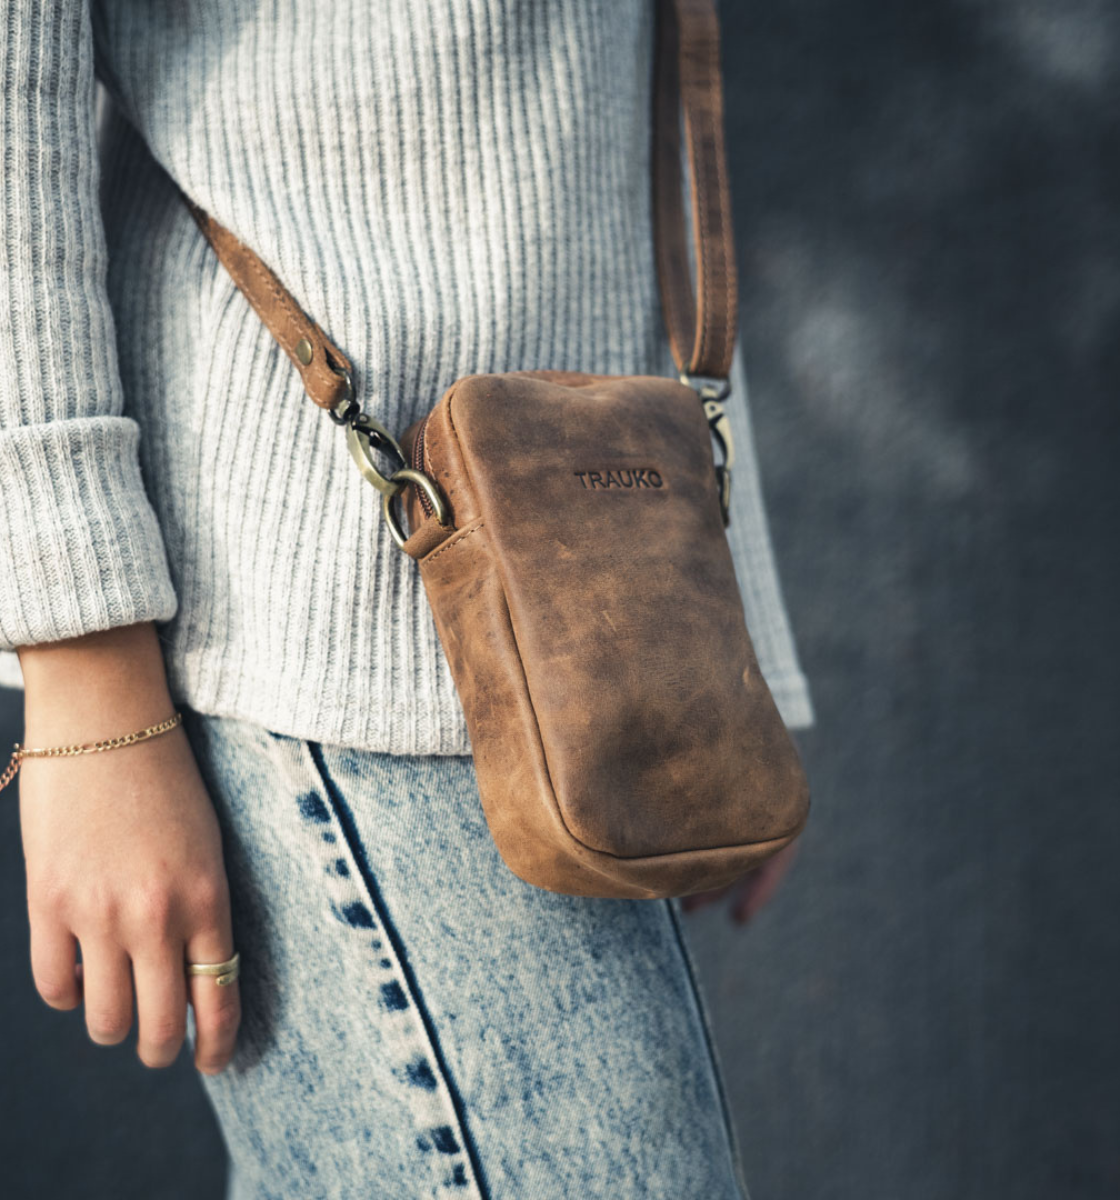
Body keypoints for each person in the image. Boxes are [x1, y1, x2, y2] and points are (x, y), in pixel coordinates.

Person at [1, 1, 813, 1196]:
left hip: (604, 625)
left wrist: (723, 641)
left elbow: (627, 107)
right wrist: (85, 676)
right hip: (331, 613)